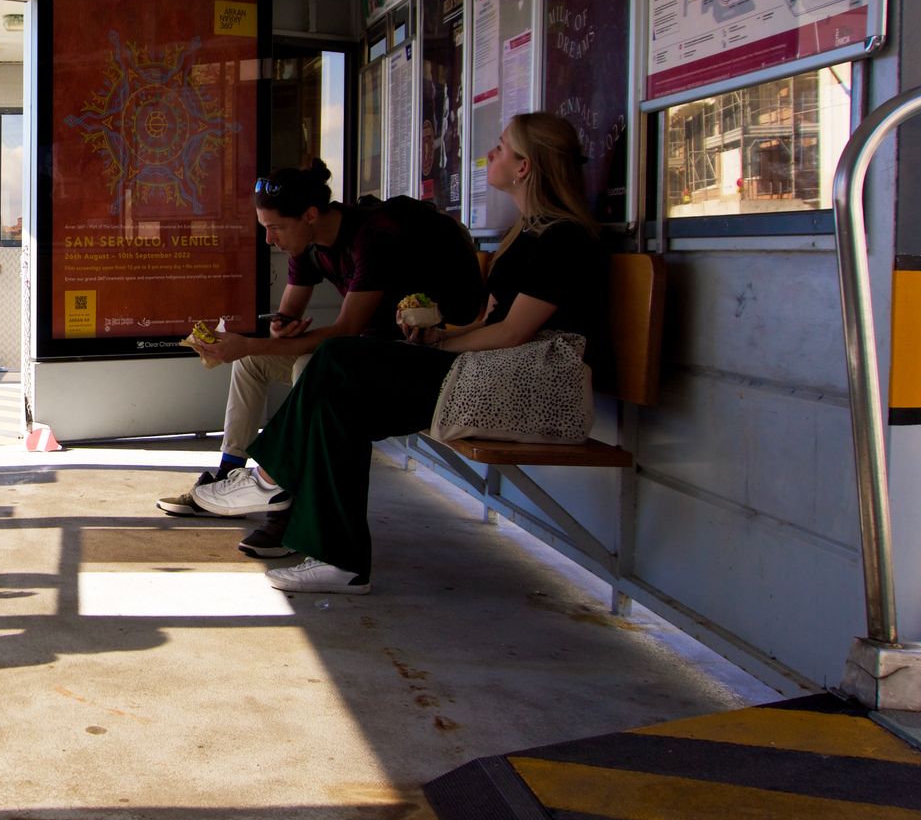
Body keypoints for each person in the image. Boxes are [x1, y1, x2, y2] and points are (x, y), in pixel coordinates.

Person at [189, 113, 608, 596]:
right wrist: (434, 338)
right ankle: (338, 560)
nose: (491, 153)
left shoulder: (564, 240)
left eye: (502, 147)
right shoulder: (527, 235)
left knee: (340, 360)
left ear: (525, 167)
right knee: (337, 404)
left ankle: (269, 476)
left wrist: (444, 344)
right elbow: (489, 323)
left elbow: (514, 334)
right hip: (488, 372)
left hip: (526, 387)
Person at [157, 162, 484, 561]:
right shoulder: (306, 246)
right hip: (362, 356)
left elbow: (346, 329)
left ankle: (287, 501)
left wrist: (249, 344)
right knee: (252, 365)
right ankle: (230, 473)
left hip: (409, 360)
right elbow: (288, 316)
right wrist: (280, 330)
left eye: (275, 228)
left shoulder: (371, 236)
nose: (268, 239)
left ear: (310, 215)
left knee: (305, 369)